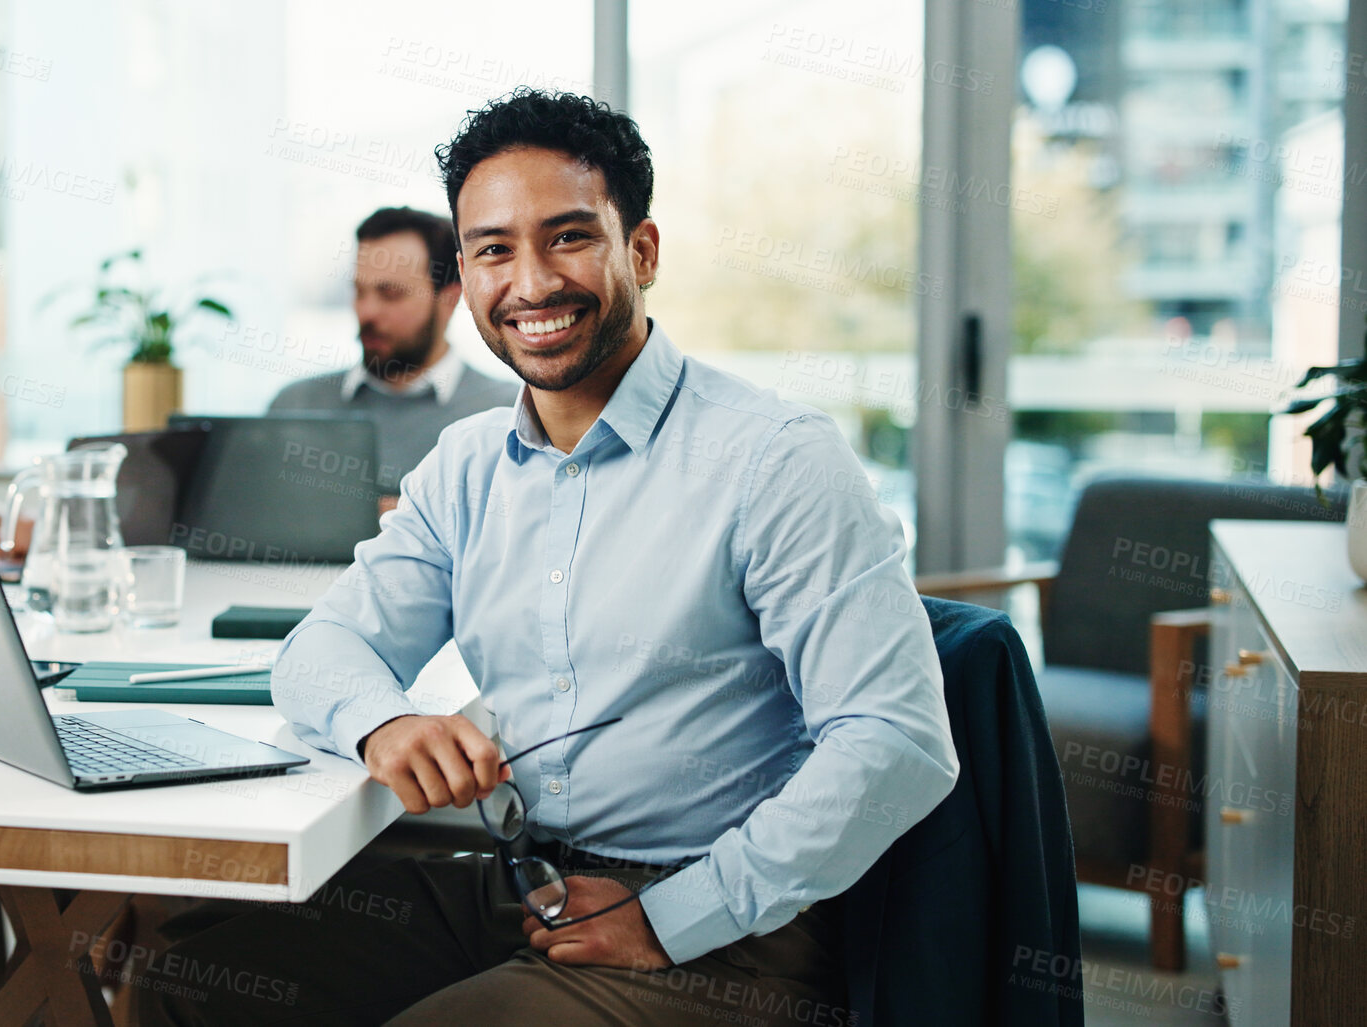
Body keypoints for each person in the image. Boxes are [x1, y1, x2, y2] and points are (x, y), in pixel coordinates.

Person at [136, 90, 958, 1026]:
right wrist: (383, 722)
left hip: (726, 929)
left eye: (567, 237)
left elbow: (895, 741)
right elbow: (319, 650)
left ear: (640, 251)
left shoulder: (774, 459)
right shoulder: (467, 467)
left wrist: (671, 917)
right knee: (190, 981)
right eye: (492, 249)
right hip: (524, 885)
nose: (528, 283)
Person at [268, 207, 517, 512]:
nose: (367, 311)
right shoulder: (294, 407)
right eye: (360, 292)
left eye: (391, 294)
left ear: (450, 299)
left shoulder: (509, 415)